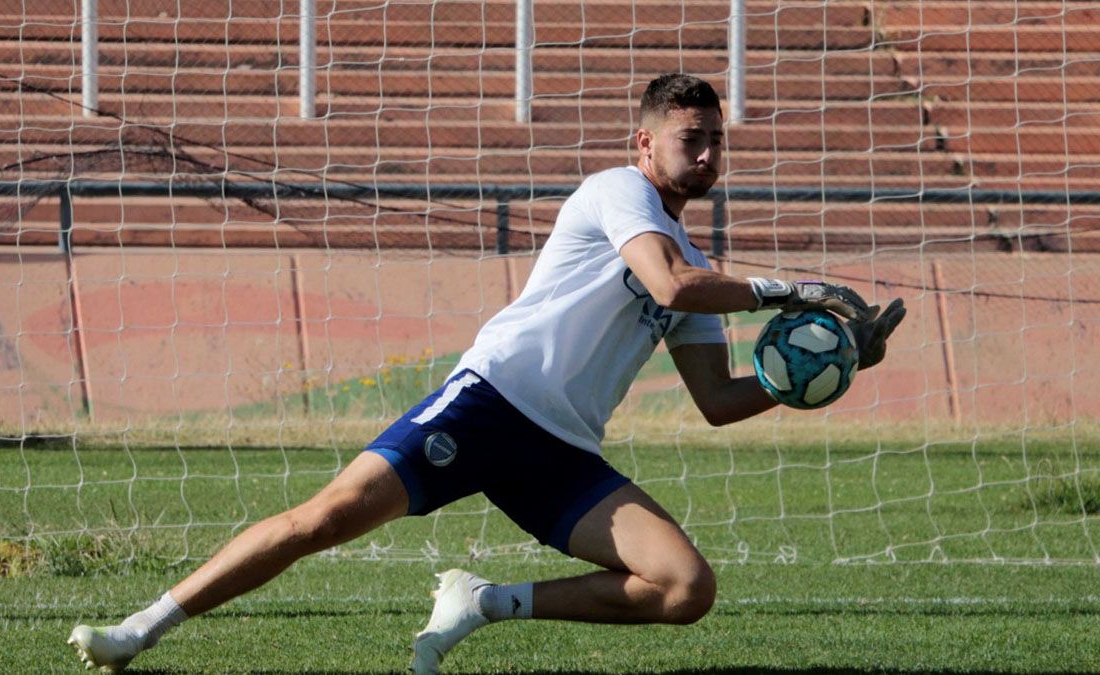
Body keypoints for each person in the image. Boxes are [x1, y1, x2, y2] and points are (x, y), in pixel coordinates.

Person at [67, 73, 906, 674]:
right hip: (490, 403)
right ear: (644, 143)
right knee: (323, 518)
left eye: (718, 140)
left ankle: (485, 601)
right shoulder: (621, 192)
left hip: (562, 452)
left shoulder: (697, 263)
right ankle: (139, 629)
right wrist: (800, 289)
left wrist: (812, 376)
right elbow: (666, 284)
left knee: (686, 587)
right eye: (693, 139)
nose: (710, 153)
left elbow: (719, 400)